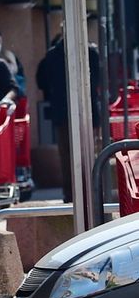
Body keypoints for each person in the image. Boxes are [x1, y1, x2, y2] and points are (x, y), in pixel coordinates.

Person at [36, 32, 101, 201]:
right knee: (87, 153)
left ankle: (71, 193)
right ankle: (90, 192)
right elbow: (99, 78)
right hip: (85, 110)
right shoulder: (90, 51)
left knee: (67, 155)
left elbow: (42, 81)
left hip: (65, 111)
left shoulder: (52, 54)